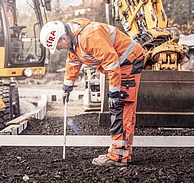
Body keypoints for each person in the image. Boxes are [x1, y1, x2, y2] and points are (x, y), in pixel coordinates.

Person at [40, 18, 144, 167]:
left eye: (58, 45)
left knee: (119, 107)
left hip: (128, 61)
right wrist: (67, 87)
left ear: (63, 37)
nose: (59, 49)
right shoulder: (74, 42)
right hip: (120, 63)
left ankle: (117, 156)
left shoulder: (90, 36)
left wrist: (114, 92)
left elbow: (111, 62)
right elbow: (73, 63)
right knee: (121, 108)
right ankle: (124, 154)